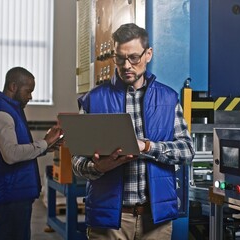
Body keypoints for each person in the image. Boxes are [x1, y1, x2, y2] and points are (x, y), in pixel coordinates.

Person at [72, 23, 195, 239]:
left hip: (156, 221)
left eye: (134, 58)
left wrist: (147, 147)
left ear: (148, 54)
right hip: (110, 222)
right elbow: (76, 162)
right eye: (120, 58)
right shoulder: (94, 100)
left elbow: (187, 151)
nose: (127, 65)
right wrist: (96, 167)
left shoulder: (168, 98)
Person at [0, 67, 63, 240]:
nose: (30, 96)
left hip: (16, 193)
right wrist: (45, 142)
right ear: (13, 86)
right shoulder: (2, 114)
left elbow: (19, 149)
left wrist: (45, 148)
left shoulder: (12, 109)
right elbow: (11, 154)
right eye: (28, 91)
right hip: (10, 195)